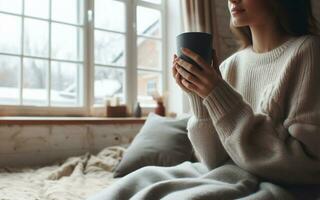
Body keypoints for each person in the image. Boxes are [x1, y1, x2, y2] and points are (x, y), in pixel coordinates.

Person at [88, 0, 320, 199]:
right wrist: (200, 101)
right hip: (223, 172)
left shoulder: (306, 51)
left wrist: (218, 95)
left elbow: (309, 164)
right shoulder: (231, 65)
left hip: (275, 182)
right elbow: (214, 161)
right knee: (136, 181)